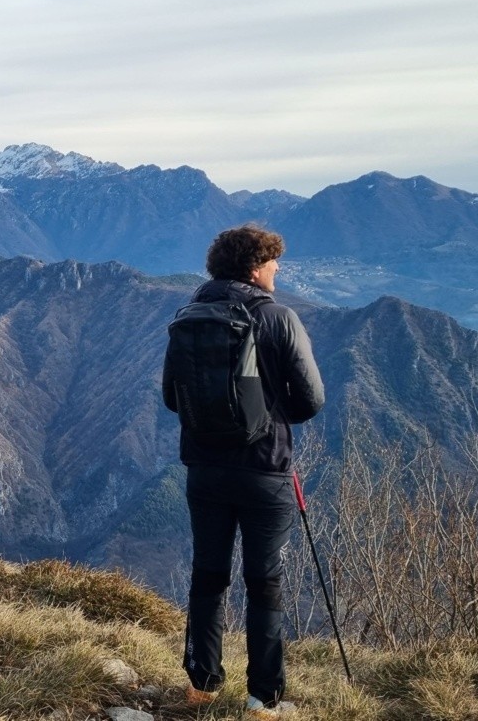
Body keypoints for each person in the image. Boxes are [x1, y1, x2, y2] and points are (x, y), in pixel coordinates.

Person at [162, 225, 325, 720]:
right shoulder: (278, 317)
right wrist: (268, 417)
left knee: (208, 574)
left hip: (204, 469)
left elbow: (172, 397)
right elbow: (311, 400)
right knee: (264, 582)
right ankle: (262, 698)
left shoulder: (189, 316)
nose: (278, 269)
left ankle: (202, 683)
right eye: (274, 262)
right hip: (265, 470)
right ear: (255, 268)